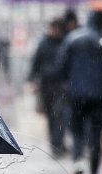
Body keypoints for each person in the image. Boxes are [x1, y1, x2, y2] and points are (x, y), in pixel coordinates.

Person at [55, 11, 102, 174]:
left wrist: (69, 82)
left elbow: (61, 66)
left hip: (76, 94)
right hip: (100, 95)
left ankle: (78, 160)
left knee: (77, 132)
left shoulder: (72, 38)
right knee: (96, 134)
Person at [28, 17, 68, 157]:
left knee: (59, 116)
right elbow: (35, 63)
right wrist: (31, 80)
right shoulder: (43, 44)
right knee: (51, 116)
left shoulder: (64, 43)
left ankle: (58, 145)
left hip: (61, 87)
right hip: (46, 86)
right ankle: (55, 144)